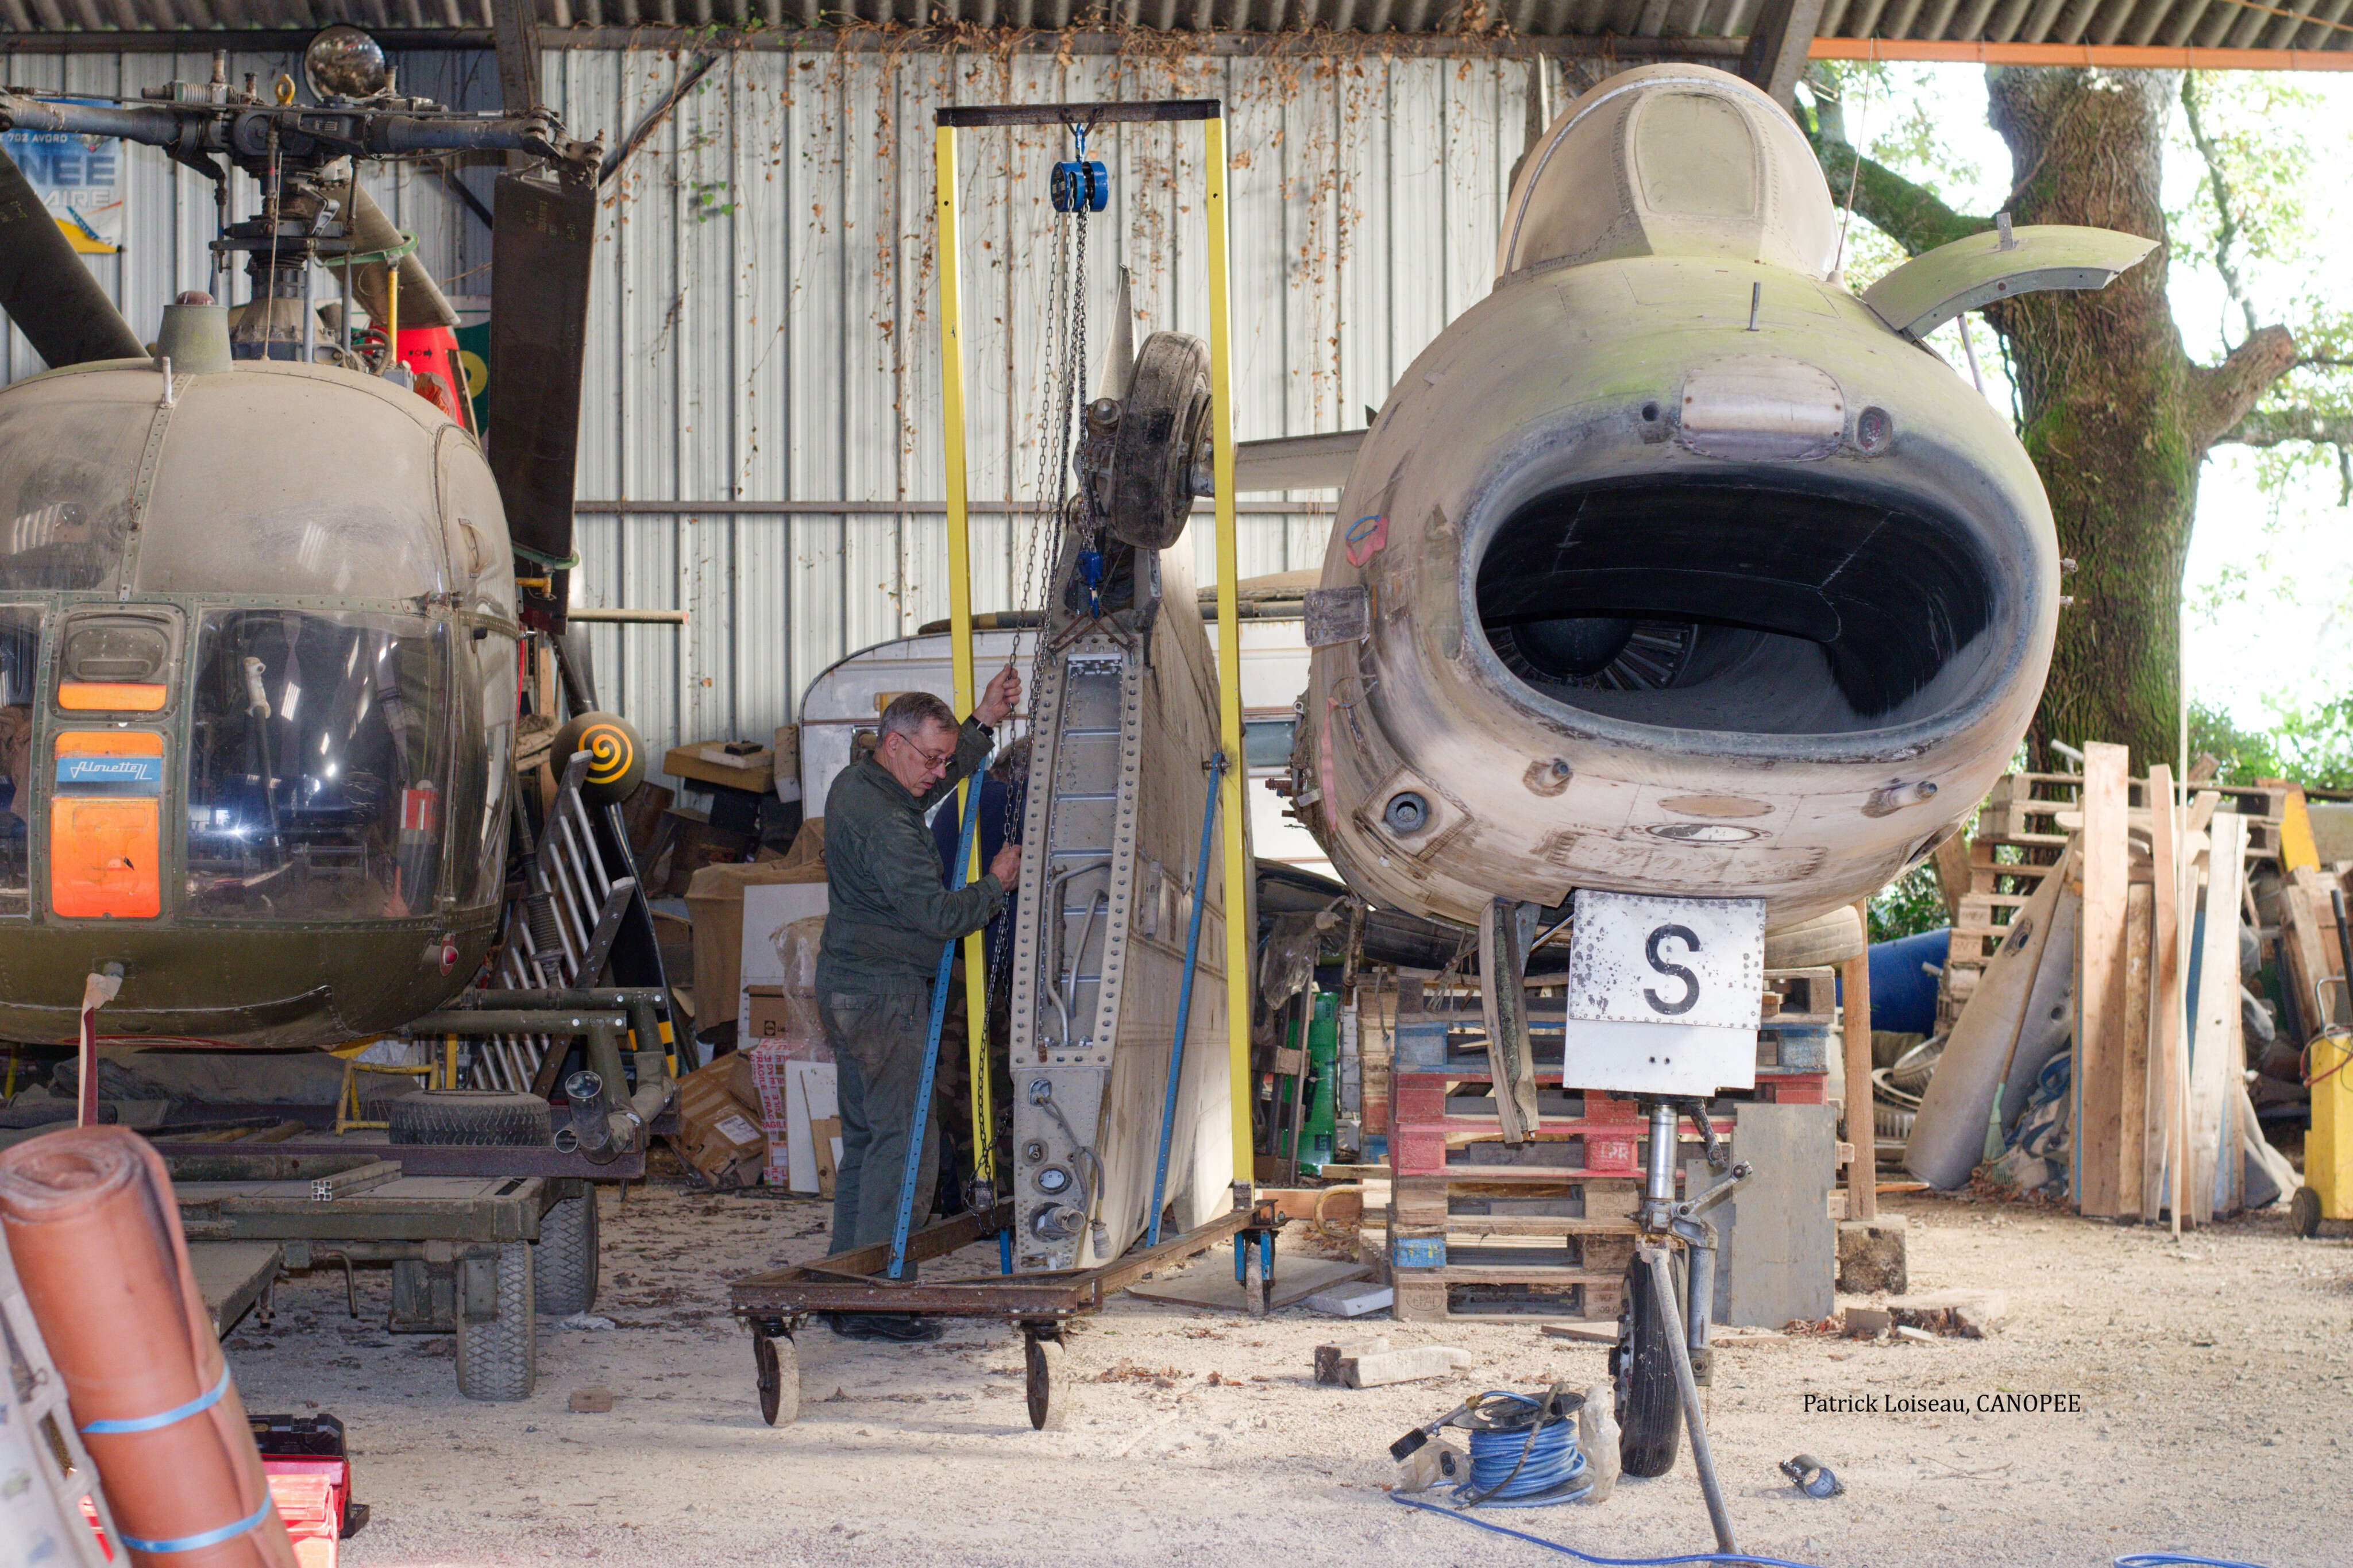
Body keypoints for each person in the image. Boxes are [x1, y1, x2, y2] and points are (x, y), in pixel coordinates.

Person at [815, 668, 1022, 1342]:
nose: (940, 773)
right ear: (894, 744)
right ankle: (877, 1296)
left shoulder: (864, 783)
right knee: (907, 1149)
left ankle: (844, 1283)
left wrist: (982, 723)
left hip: (849, 985)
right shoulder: (886, 822)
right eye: (931, 760)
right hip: (882, 993)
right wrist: (995, 884)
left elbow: (942, 762)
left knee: (871, 1143)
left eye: (944, 759)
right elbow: (936, 915)